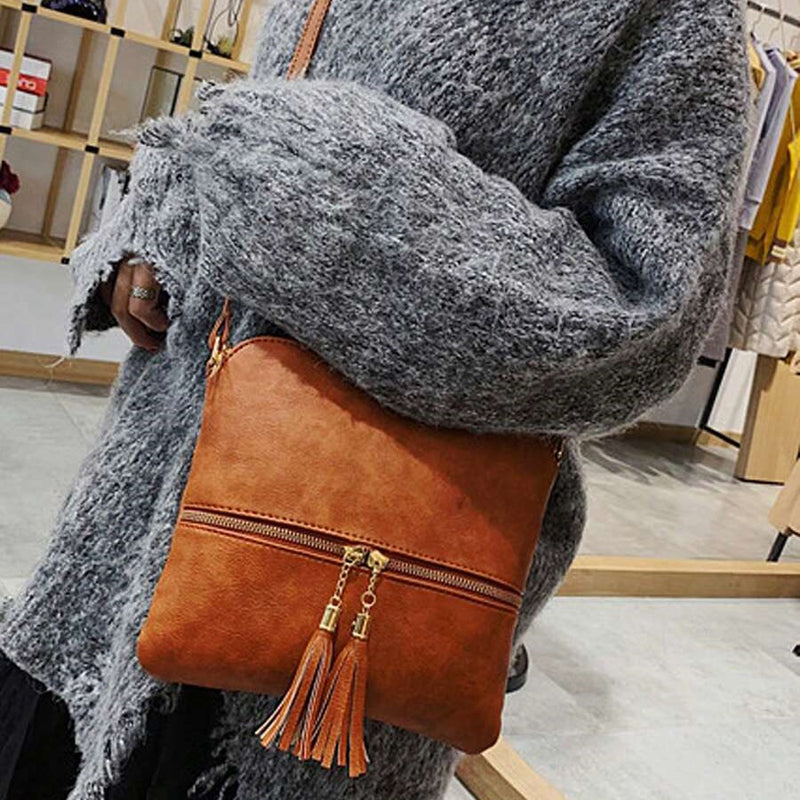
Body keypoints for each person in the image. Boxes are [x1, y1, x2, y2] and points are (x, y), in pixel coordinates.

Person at [0, 0, 750, 797]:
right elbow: (253, 120)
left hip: (344, 591)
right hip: (122, 530)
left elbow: (644, 318)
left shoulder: (676, 15)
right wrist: (152, 231)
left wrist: (331, 181)